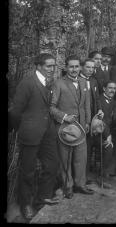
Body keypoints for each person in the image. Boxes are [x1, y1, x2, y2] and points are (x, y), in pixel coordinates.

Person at [9, 53, 59, 220]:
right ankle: (26, 204)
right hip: (30, 134)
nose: (52, 69)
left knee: (52, 164)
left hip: (48, 132)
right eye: (48, 66)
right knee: (28, 171)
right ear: (38, 66)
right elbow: (16, 111)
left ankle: (43, 196)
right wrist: (23, 127)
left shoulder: (49, 82)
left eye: (54, 66)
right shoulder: (27, 83)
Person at [50, 55, 93, 198]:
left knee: (81, 157)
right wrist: (64, 117)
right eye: (71, 66)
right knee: (66, 158)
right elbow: (51, 107)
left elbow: (86, 104)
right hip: (65, 129)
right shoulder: (59, 83)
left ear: (80, 67)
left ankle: (80, 185)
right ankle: (67, 186)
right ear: (66, 68)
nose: (74, 69)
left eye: (76, 66)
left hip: (81, 128)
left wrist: (87, 122)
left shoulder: (83, 82)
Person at [79, 58, 104, 184]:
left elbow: (98, 98)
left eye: (93, 68)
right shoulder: (77, 80)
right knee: (82, 148)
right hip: (81, 119)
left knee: (89, 146)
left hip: (93, 117)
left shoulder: (94, 81)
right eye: (88, 67)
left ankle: (86, 175)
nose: (91, 70)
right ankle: (80, 176)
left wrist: (99, 109)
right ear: (82, 67)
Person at [92, 80, 116, 189]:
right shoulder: (99, 100)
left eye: (114, 88)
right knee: (108, 146)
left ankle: (110, 171)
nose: (112, 90)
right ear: (104, 89)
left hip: (109, 131)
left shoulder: (113, 101)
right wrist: (108, 135)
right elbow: (101, 120)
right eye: (110, 88)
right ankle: (102, 177)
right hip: (97, 132)